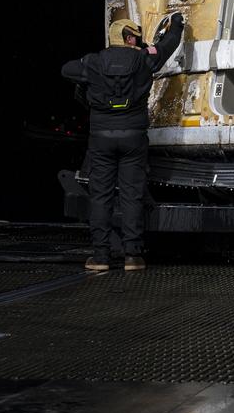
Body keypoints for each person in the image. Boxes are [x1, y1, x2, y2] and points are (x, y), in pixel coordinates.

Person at [62, 13, 184, 272]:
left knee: (101, 197)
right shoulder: (143, 59)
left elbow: (67, 69)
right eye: (136, 37)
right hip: (133, 138)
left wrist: (90, 70)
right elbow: (168, 45)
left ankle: (100, 257)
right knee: (131, 195)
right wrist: (177, 23)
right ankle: (133, 256)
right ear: (129, 37)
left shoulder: (94, 62)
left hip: (101, 139)